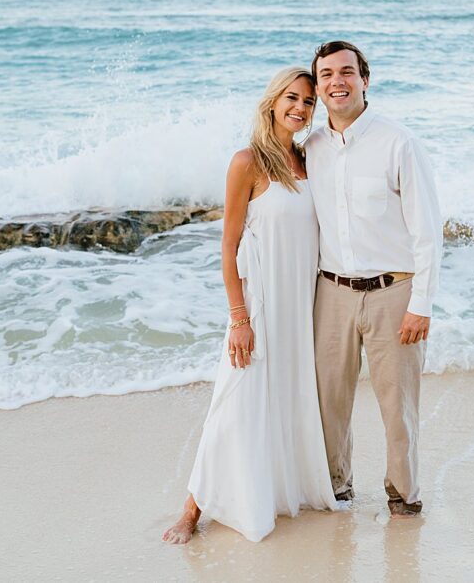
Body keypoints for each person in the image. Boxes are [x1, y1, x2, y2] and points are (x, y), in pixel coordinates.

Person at [162, 67, 338, 544]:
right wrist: (238, 318)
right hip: (260, 303)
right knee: (235, 401)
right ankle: (191, 510)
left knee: (285, 397)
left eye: (307, 101)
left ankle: (277, 490)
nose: (300, 108)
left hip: (301, 304)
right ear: (272, 102)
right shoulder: (247, 162)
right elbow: (228, 246)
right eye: (292, 98)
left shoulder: (309, 160)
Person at [304, 41, 443, 518]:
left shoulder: (398, 142)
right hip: (331, 292)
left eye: (346, 72)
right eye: (326, 75)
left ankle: (403, 497)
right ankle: (335, 489)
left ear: (366, 79)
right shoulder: (311, 148)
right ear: (318, 87)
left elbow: (428, 230)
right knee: (328, 402)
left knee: (397, 406)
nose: (336, 81)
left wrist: (421, 303)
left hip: (393, 292)